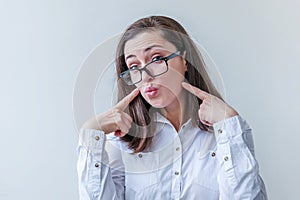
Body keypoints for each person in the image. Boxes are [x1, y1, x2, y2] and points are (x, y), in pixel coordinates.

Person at [77, 15, 268, 200]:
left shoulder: (225, 134)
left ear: (184, 59)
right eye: (134, 66)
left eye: (157, 58)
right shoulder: (122, 141)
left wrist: (229, 124)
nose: (145, 76)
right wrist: (91, 134)